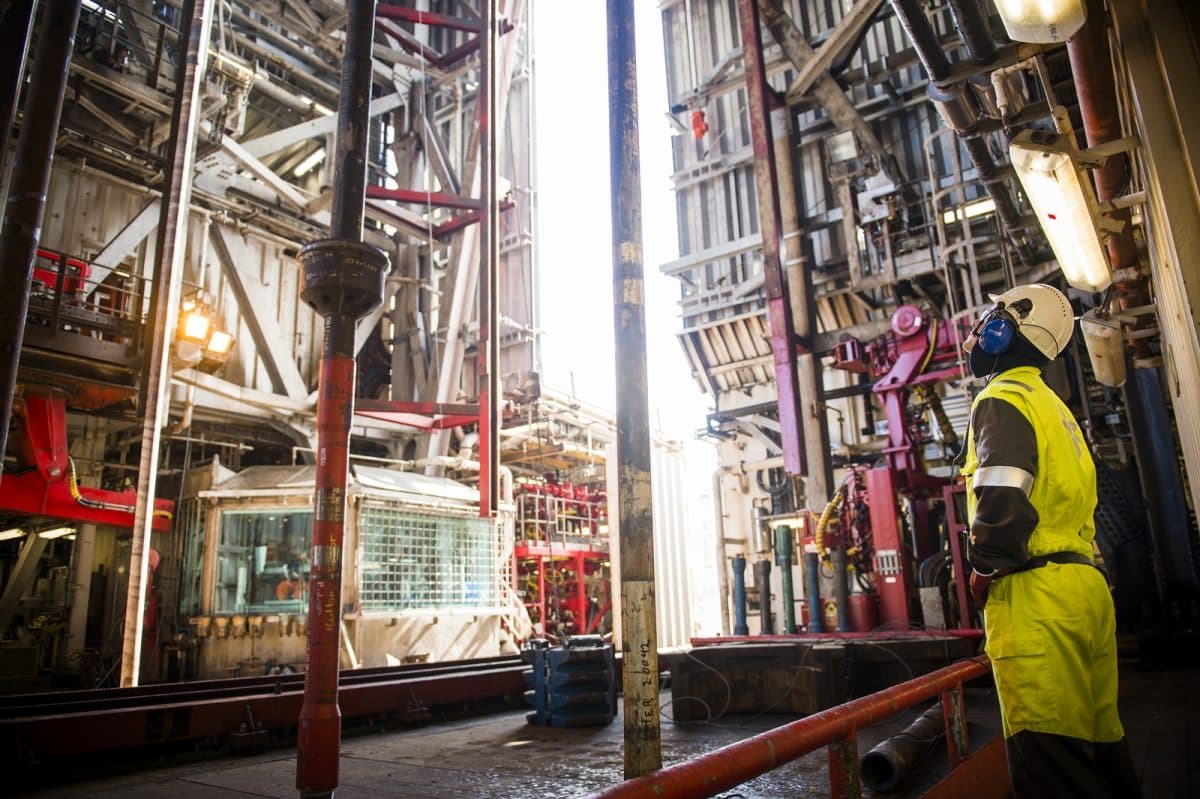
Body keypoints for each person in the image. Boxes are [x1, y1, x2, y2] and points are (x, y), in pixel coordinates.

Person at [961, 283, 1140, 798]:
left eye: (991, 318)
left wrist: (985, 566)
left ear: (1006, 330)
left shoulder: (1003, 397)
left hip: (1037, 599)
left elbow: (1002, 491)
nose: (979, 329)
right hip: (1083, 592)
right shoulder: (1056, 410)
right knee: (1102, 756)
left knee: (1052, 765)